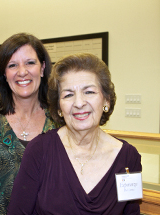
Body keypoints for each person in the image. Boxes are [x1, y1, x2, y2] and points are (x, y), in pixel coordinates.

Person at [8, 53, 142, 214]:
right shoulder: (39, 151)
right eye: (68, 95)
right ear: (59, 107)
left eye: (89, 92)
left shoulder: (128, 158)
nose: (79, 103)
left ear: (106, 100)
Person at [0, 33, 58, 214]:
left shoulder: (59, 118)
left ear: (43, 68)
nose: (22, 72)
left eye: (30, 63)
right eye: (12, 65)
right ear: (4, 73)